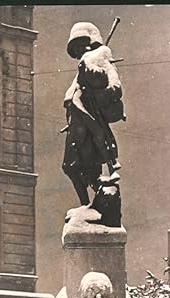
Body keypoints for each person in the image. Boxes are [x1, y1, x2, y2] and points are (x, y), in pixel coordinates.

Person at [62, 22, 126, 206]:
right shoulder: (82, 68)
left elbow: (115, 88)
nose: (79, 50)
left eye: (80, 45)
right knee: (70, 167)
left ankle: (95, 199)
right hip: (77, 123)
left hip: (90, 121)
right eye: (75, 48)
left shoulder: (101, 58)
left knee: (89, 165)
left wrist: (97, 90)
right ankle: (86, 205)